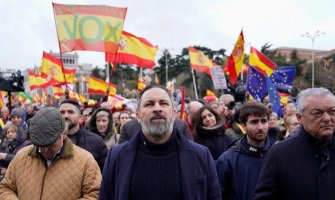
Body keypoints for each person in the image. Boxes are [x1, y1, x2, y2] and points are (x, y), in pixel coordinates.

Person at [99, 85, 221, 200]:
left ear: (174, 113)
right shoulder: (116, 157)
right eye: (149, 104)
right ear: (138, 116)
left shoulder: (201, 155)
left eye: (163, 103)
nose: (157, 108)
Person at [0, 107, 101, 199]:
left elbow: (94, 195)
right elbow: (5, 188)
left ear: (64, 134)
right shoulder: (21, 156)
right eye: (40, 145)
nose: (45, 150)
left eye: (51, 144)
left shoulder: (85, 160)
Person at [254, 87, 335, 200]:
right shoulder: (280, 154)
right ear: (299, 118)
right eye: (317, 113)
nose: (327, 118)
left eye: (332, 111)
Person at [216, 101, 271, 200]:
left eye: (264, 121)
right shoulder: (227, 160)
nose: (260, 127)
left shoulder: (278, 154)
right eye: (254, 122)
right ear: (243, 125)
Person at [59, 99, 108, 171]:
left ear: (80, 117)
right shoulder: (50, 140)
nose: (65, 116)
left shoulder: (96, 142)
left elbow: (105, 172)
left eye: (70, 112)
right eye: (62, 112)